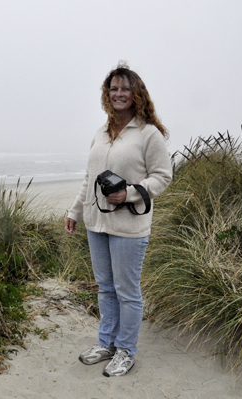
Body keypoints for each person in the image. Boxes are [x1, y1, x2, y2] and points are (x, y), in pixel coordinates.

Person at [65, 62, 172, 377]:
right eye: (114, 88)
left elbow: (163, 176)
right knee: (105, 288)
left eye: (125, 88)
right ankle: (106, 344)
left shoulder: (148, 133)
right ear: (106, 94)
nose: (119, 94)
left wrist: (131, 193)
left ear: (136, 92)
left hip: (129, 226)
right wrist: (75, 210)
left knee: (127, 290)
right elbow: (90, 178)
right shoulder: (101, 132)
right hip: (96, 223)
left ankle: (126, 350)